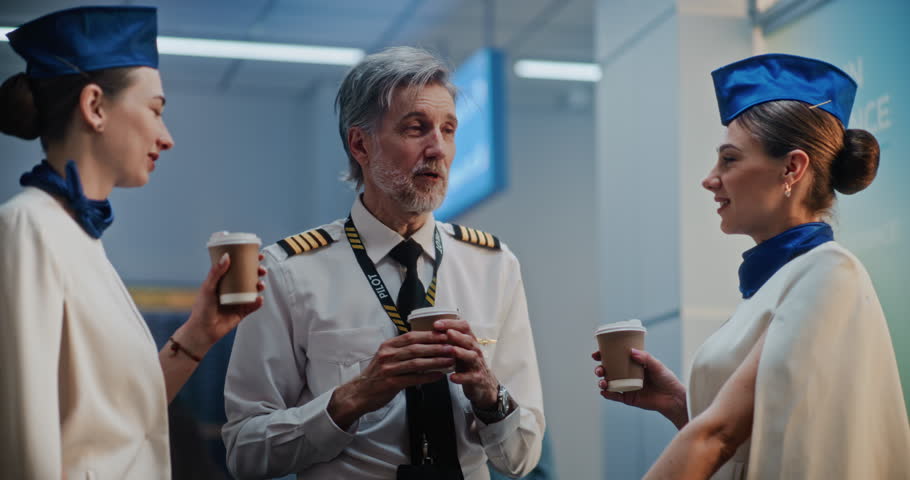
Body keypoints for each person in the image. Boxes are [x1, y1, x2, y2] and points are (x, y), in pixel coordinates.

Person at [222, 46, 545, 480]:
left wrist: (489, 395)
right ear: (361, 144)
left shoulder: (494, 265)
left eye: (448, 130)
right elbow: (245, 452)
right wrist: (352, 399)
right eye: (416, 128)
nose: (438, 149)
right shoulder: (289, 271)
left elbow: (523, 458)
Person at [593, 53, 910, 479]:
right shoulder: (785, 282)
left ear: (792, 168)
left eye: (730, 160)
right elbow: (750, 445)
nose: (710, 178)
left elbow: (719, 436)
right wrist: (677, 404)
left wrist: (703, 424)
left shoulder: (828, 272)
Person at [0, 6, 265, 479]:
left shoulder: (80, 238)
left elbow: (120, 420)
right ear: (95, 106)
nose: (166, 138)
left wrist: (199, 332)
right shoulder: (28, 229)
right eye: (156, 110)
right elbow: (25, 445)